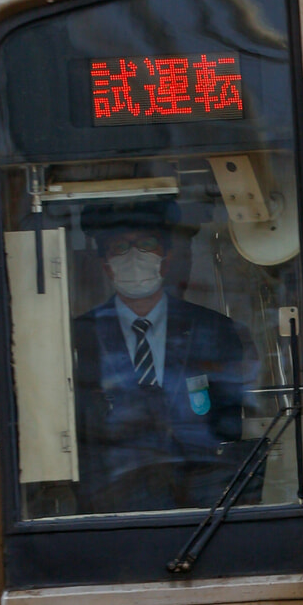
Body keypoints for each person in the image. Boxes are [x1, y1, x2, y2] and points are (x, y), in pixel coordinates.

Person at [71, 203, 256, 512]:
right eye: (120, 248)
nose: (134, 256)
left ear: (166, 259)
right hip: (111, 509)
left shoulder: (214, 330)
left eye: (146, 245)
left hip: (201, 507)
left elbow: (229, 427)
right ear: (106, 266)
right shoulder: (79, 336)